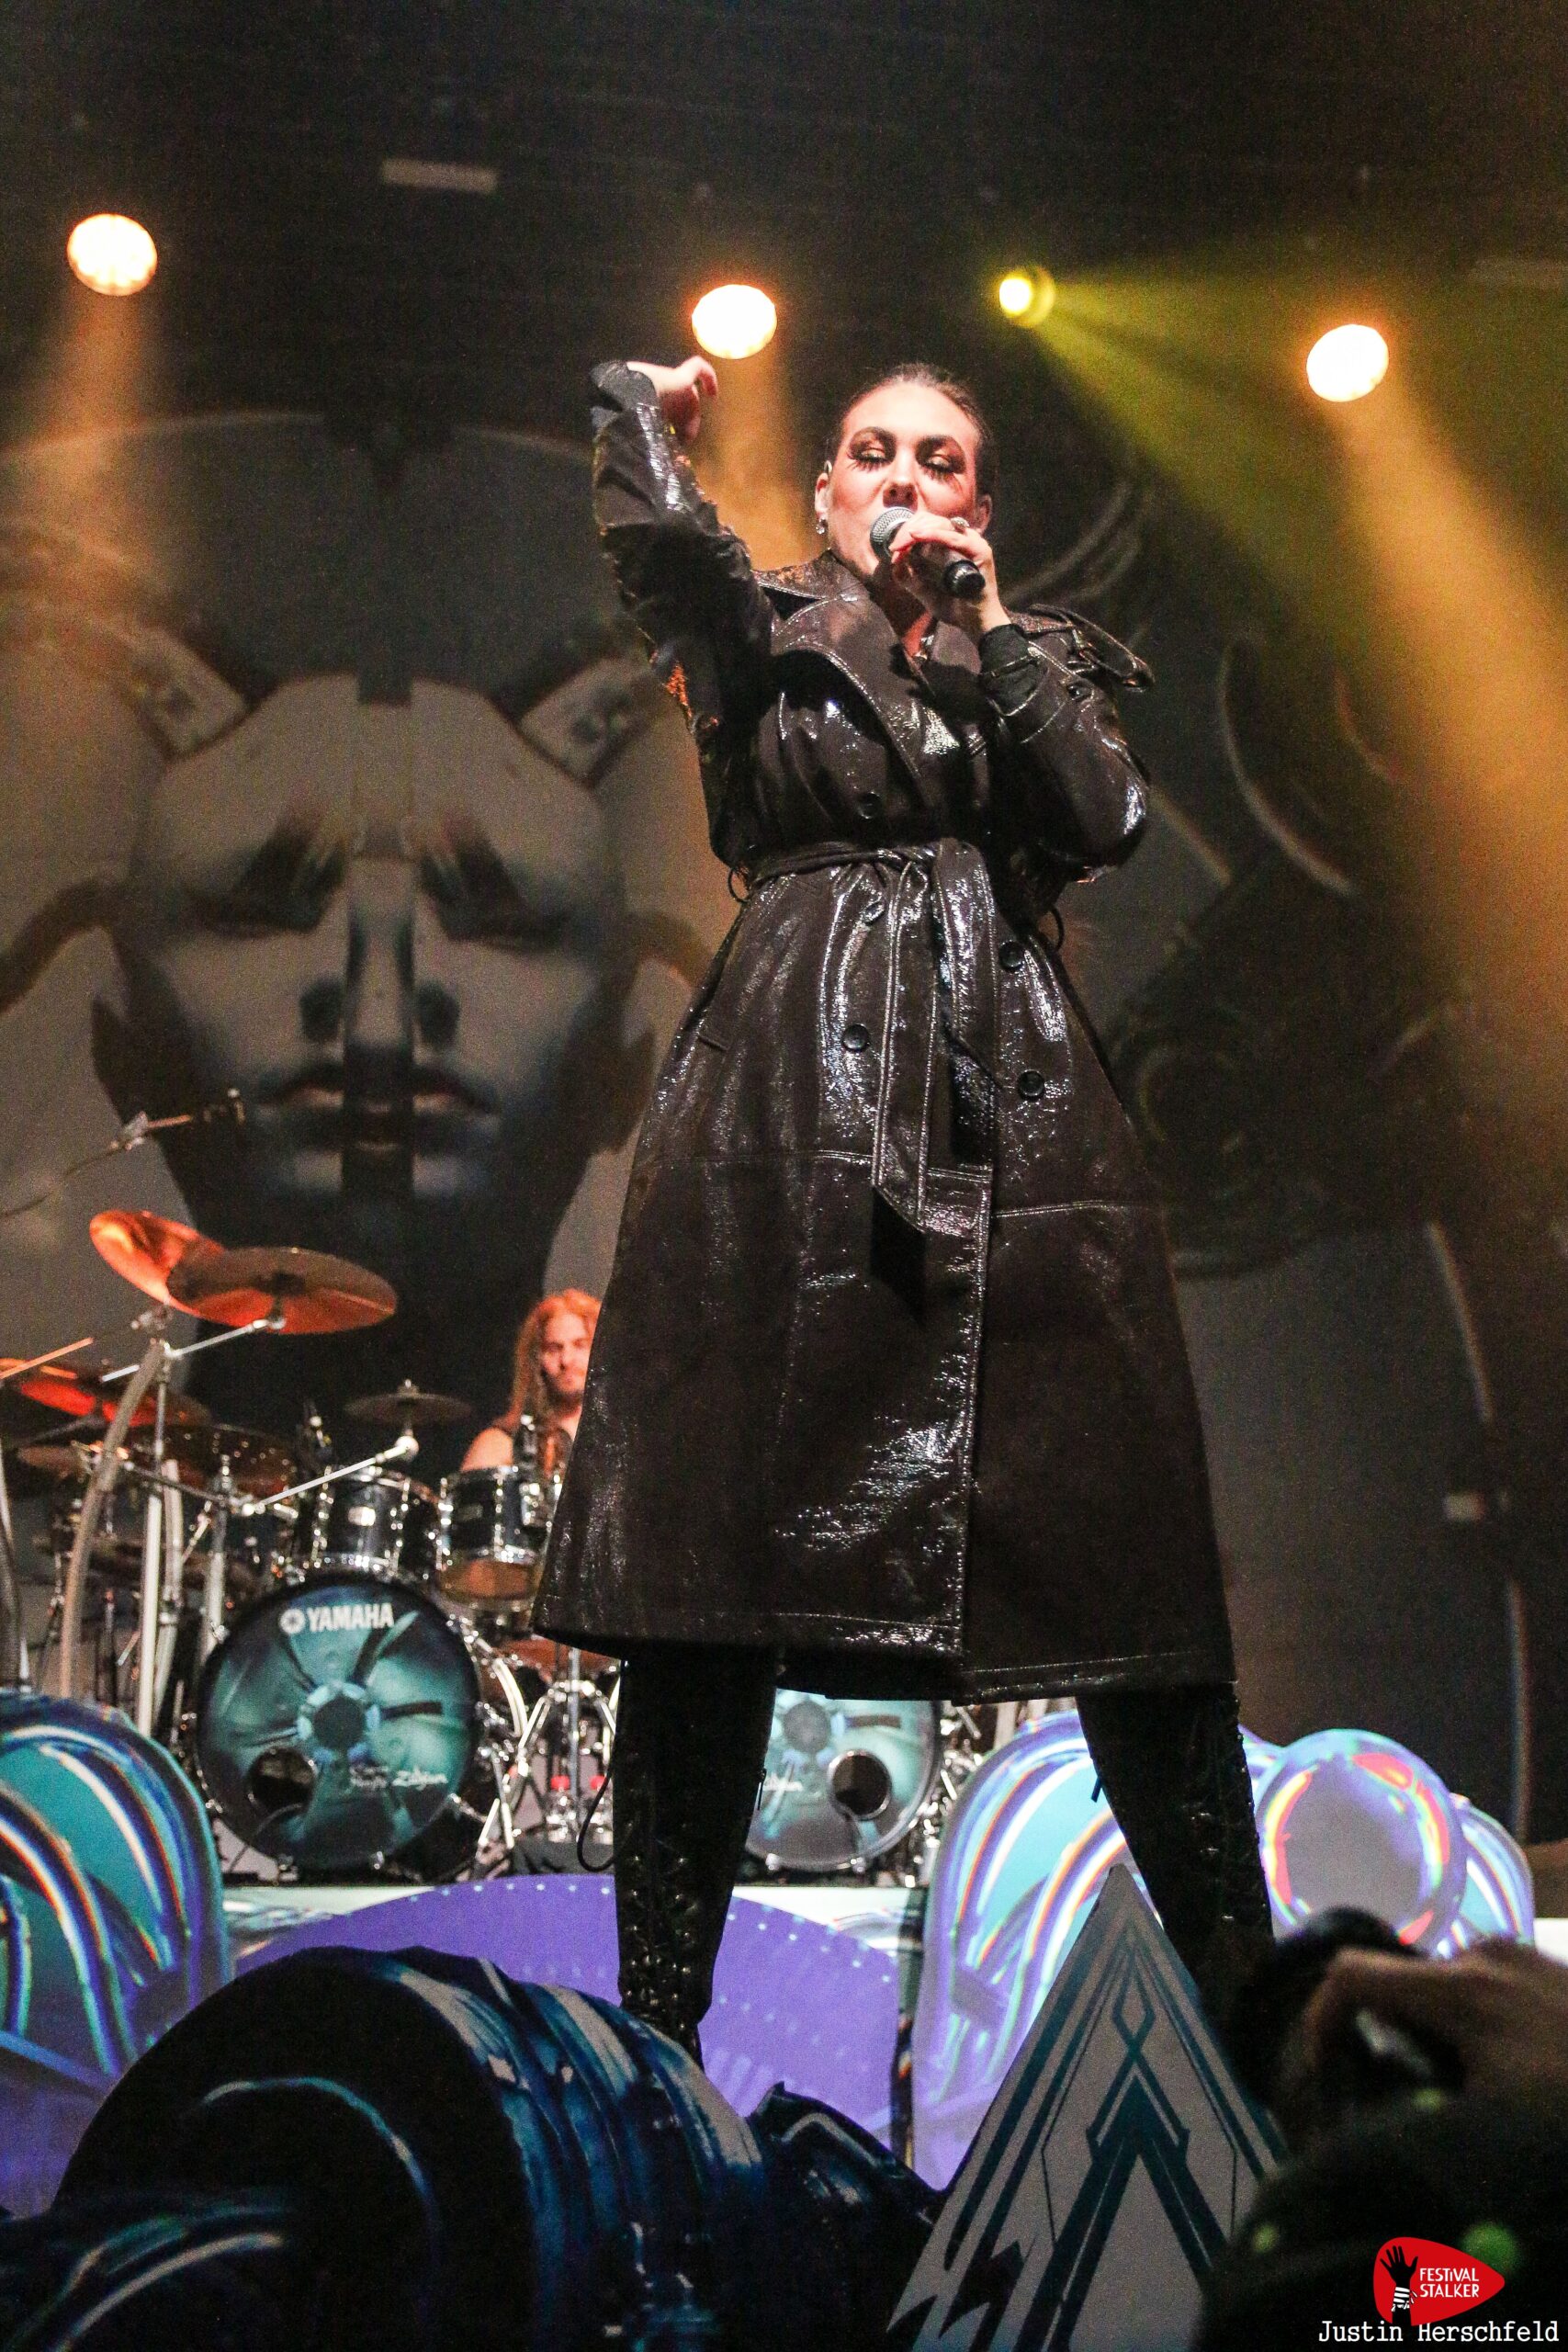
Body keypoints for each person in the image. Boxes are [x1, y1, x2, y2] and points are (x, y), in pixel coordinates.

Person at [536, 353, 1272, 2059]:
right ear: (825, 490)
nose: (904, 480)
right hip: (785, 1108)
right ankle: (661, 2050)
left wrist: (991, 624)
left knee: (1130, 1591)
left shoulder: (1036, 656)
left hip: (1016, 1118)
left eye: (940, 461)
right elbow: (664, 547)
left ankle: (1262, 2037)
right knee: (706, 1599)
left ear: (977, 504)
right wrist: (642, 415)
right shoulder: (759, 625)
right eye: (872, 452)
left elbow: (1101, 816)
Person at [461, 1289, 600, 1481]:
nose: (566, 1360)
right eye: (554, 1348)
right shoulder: (502, 1444)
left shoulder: (629, 1438)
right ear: (536, 1361)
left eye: (580, 1345)